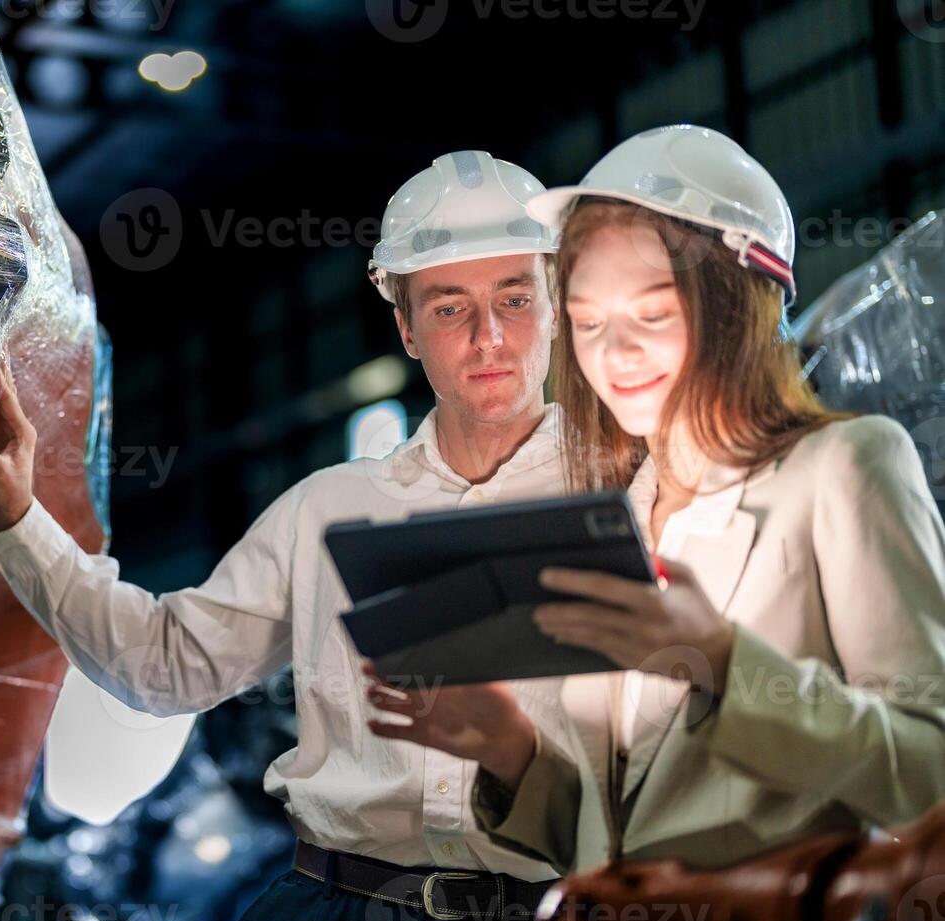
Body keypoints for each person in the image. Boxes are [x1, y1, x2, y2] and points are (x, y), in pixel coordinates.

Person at [0, 151, 565, 921]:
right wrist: (23, 523)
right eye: (450, 305)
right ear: (406, 327)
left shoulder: (639, 504)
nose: (488, 336)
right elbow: (168, 664)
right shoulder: (330, 514)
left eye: (515, 299)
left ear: (557, 303)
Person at [362, 124, 945, 878]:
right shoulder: (619, 517)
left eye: (653, 313)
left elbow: (929, 772)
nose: (615, 352)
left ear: (738, 303)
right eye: (589, 321)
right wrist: (509, 749)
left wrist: (725, 663)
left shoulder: (842, 466)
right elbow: (618, 832)